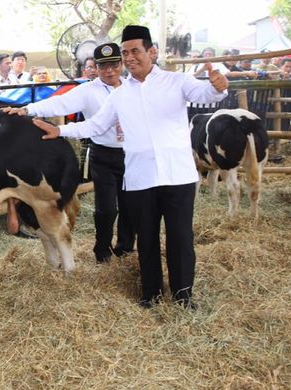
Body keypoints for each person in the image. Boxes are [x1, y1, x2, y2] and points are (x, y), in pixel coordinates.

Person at [27, 25, 229, 309]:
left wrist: (218, 87)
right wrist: (57, 130)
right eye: (126, 52)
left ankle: (183, 296)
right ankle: (151, 294)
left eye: (135, 51)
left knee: (180, 237)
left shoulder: (176, 81)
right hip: (140, 178)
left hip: (178, 175)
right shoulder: (119, 95)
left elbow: (206, 93)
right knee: (145, 238)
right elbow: (96, 125)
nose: (130, 57)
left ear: (151, 52)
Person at [5, 43, 135, 262]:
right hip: (103, 155)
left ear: (121, 64)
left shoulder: (134, 86)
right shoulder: (88, 89)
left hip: (132, 155)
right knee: (107, 209)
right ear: (96, 66)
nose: (109, 70)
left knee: (131, 206)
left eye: (114, 65)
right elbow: (60, 103)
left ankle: (125, 248)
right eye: (103, 66)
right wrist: (27, 109)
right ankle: (102, 251)